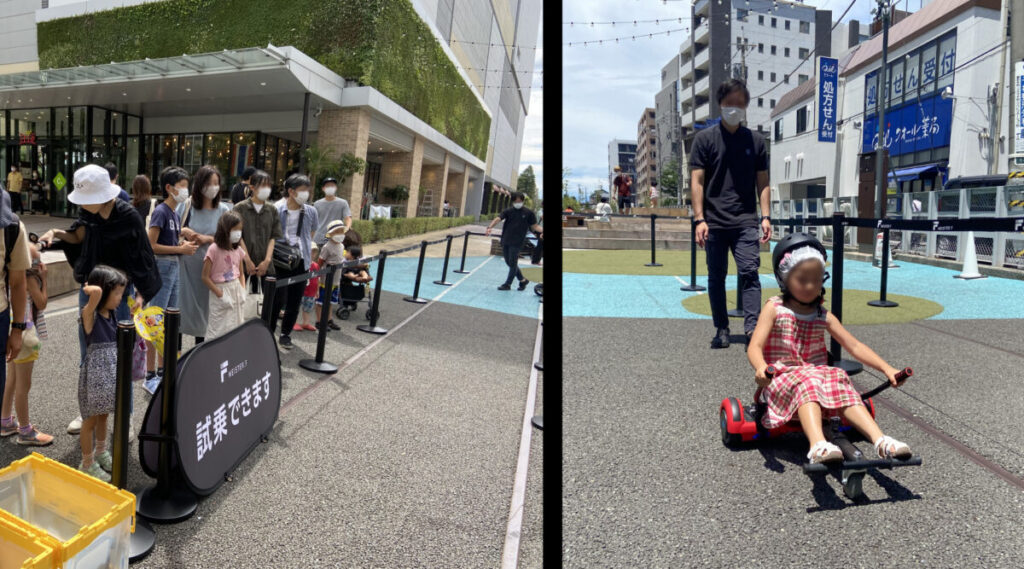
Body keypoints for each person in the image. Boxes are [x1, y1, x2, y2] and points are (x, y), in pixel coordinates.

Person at [746, 233, 912, 464]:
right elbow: (755, 346)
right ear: (784, 279)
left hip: (817, 378)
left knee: (838, 377)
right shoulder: (775, 308)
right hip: (782, 380)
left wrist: (887, 368)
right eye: (802, 280)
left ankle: (881, 440)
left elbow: (854, 345)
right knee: (809, 380)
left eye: (816, 280)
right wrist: (761, 367)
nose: (810, 286)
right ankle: (817, 444)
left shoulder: (822, 314)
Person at [38, 164, 161, 436]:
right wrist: (55, 233)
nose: (81, 205)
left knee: (121, 357)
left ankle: (125, 416)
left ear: (101, 196)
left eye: (85, 199)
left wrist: (141, 294)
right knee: (89, 355)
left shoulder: (128, 216)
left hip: (119, 295)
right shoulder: (88, 213)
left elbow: (144, 257)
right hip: (90, 290)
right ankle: (90, 414)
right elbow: (78, 235)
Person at [690, 79, 772, 349]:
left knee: (749, 273)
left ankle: (752, 330)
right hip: (713, 221)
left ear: (746, 106)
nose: (734, 108)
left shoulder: (756, 141)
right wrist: (699, 219)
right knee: (716, 277)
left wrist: (766, 216)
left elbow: (763, 182)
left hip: (745, 219)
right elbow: (697, 181)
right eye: (729, 103)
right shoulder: (704, 139)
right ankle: (721, 328)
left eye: (739, 103)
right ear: (720, 104)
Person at [143, 166, 199, 394]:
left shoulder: (174, 213)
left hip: (173, 267)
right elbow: (151, 245)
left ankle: (163, 371)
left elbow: (167, 243)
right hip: (163, 267)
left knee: (168, 321)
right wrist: (180, 249)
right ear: (169, 188)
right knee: (154, 320)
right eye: (182, 186)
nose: (186, 190)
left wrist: (182, 241)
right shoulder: (161, 211)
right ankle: (150, 375)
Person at [77, 265, 128, 481]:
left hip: (110, 376)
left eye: (121, 293)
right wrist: (91, 289)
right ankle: (87, 462)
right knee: (90, 421)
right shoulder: (90, 315)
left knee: (104, 415)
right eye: (116, 293)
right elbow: (96, 294)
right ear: (104, 291)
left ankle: (100, 451)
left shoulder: (112, 314)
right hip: (95, 378)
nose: (119, 298)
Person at [0, 242, 52, 446]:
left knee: (11, 380)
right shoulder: (29, 278)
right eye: (37, 259)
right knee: (23, 386)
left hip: (12, 330)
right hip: (26, 334)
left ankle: (5, 421)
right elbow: (42, 303)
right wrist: (44, 280)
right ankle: (25, 430)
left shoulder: (8, 276)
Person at [177, 165, 231, 346]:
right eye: (209, 183)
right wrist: (184, 231)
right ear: (199, 184)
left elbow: (230, 240)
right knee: (181, 310)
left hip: (211, 271)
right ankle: (175, 356)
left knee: (206, 315)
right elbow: (171, 230)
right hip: (186, 268)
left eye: (216, 183)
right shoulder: (186, 206)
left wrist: (207, 238)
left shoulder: (223, 210)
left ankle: (200, 354)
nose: (213, 187)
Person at [274, 174, 319, 349]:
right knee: (277, 299)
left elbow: (311, 233)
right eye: (302, 190)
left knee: (295, 299)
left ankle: (285, 334)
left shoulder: (311, 211)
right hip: (280, 259)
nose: (306, 193)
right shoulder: (277, 209)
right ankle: (269, 331)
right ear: (291, 191)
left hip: (301, 260)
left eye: (308, 190)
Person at [485, 192, 543, 291]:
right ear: (513, 201)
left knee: (512, 262)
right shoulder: (508, 211)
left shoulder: (528, 213)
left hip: (518, 241)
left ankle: (508, 284)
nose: (518, 203)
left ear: (522, 201)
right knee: (509, 261)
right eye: (516, 201)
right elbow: (498, 218)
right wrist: (490, 227)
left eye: (519, 201)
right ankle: (523, 280)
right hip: (506, 239)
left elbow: (535, 226)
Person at [202, 212, 247, 340]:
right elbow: (205, 277)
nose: (238, 233)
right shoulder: (213, 249)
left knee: (236, 327)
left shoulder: (238, 249)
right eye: (235, 229)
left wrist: (242, 290)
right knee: (217, 330)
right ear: (225, 229)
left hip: (236, 288)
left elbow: (241, 273)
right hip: (220, 289)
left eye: (240, 229)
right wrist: (220, 295)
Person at [233, 169, 280, 292]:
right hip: (243, 266)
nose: (266, 189)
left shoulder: (272, 210)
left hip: (266, 267)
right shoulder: (239, 208)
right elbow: (237, 236)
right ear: (252, 187)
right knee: (242, 300)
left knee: (265, 301)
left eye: (268, 185)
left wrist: (267, 261)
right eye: (263, 185)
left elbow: (273, 237)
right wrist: (247, 260)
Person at [316, 220, 347, 331]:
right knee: (321, 301)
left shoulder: (342, 246)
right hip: (325, 280)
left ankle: (329, 320)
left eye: (341, 231)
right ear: (331, 233)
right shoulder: (327, 247)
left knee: (330, 301)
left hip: (336, 280)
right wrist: (316, 276)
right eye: (337, 231)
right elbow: (320, 262)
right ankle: (319, 321)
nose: (340, 234)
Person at [312, 177, 352, 248]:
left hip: (335, 238)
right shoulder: (317, 204)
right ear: (323, 188)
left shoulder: (343, 203)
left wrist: (347, 228)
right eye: (328, 186)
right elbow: (313, 222)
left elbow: (348, 218)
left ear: (336, 188)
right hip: (318, 239)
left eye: (332, 186)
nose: (330, 187)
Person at [298, 253, 319, 332]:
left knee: (308, 308)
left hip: (311, 292)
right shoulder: (301, 264)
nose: (312, 254)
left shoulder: (316, 265)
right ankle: (293, 322)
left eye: (314, 252)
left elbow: (317, 279)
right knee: (296, 306)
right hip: (302, 290)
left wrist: (317, 290)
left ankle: (306, 323)